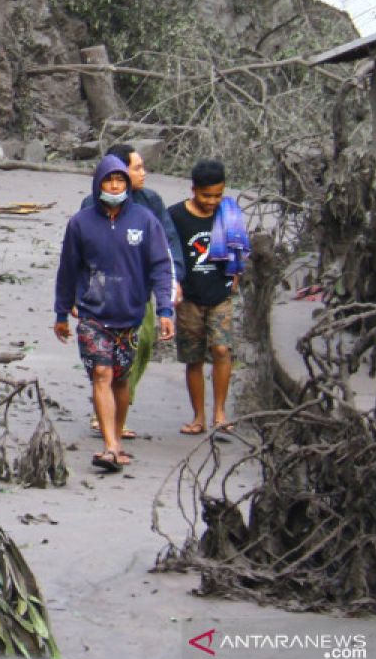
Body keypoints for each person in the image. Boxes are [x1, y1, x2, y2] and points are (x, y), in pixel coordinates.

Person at [54, 155, 176, 472]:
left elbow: (162, 267)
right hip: (93, 316)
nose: (114, 186)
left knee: (121, 382)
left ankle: (117, 440)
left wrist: (164, 309)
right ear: (98, 184)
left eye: (120, 181)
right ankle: (109, 446)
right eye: (109, 181)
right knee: (102, 374)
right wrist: (61, 312)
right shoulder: (80, 223)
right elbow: (67, 269)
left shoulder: (145, 221)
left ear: (127, 185)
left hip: (131, 315)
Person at [79, 144, 186, 439]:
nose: (144, 173)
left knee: (143, 343)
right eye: (137, 167)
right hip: (100, 290)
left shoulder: (151, 202)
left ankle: (118, 402)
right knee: (101, 353)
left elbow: (168, 244)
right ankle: (105, 411)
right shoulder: (91, 205)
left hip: (139, 288)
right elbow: (78, 253)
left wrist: (173, 281)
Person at [168, 159, 242, 435]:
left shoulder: (229, 213)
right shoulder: (175, 216)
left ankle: (220, 413)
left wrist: (236, 274)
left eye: (218, 195)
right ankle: (198, 416)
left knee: (222, 349)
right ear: (193, 190)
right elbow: (168, 252)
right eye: (206, 195)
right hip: (189, 297)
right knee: (194, 357)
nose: (212, 201)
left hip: (220, 294)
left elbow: (237, 246)